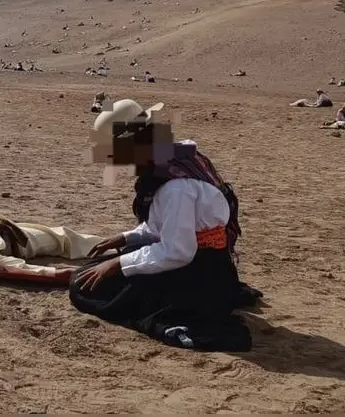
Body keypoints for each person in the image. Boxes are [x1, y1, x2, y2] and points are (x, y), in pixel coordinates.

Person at [69, 100, 260, 351]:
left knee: (84, 288)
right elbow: (168, 225)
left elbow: (178, 250)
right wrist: (126, 238)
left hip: (197, 272)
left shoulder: (174, 187)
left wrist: (117, 263)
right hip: (201, 261)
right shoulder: (175, 161)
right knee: (92, 273)